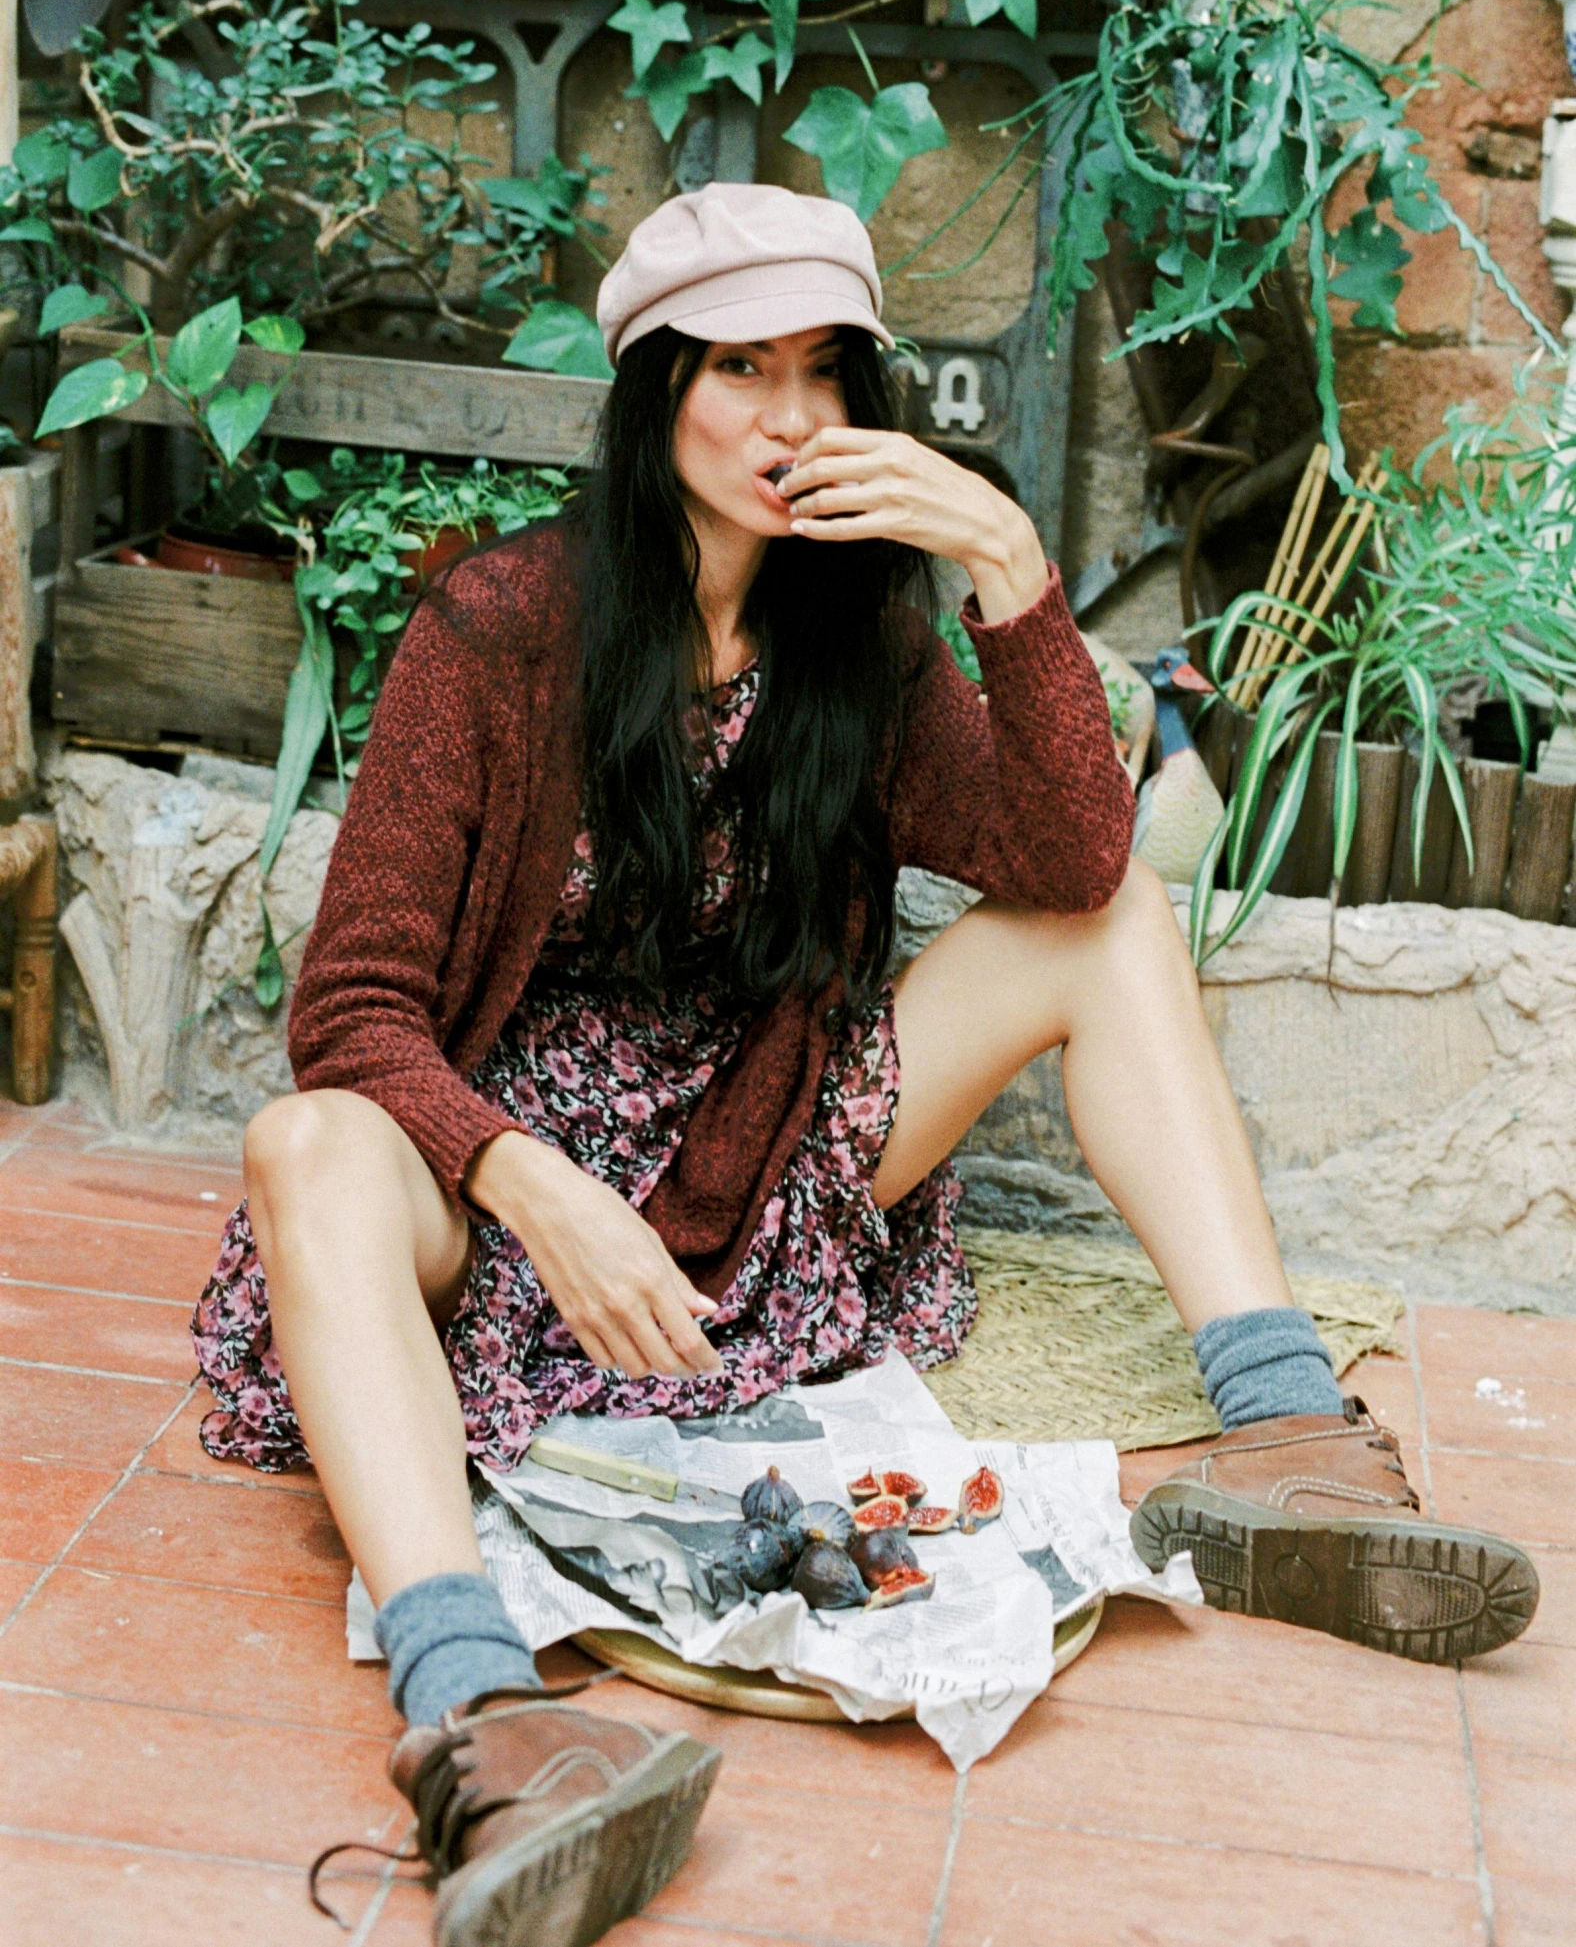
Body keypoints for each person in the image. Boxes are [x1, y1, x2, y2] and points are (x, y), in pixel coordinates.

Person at [192, 185, 1538, 1947]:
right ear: (653, 383)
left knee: (1115, 920)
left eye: (827, 371)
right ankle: (486, 1720)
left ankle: (1285, 1435)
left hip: (773, 1147)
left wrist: (1010, 574)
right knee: (305, 1144)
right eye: (739, 366)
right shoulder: (497, 634)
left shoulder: (864, 633)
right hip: (516, 1186)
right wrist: (528, 1181)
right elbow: (354, 1012)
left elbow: (1062, 866)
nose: (791, 418)